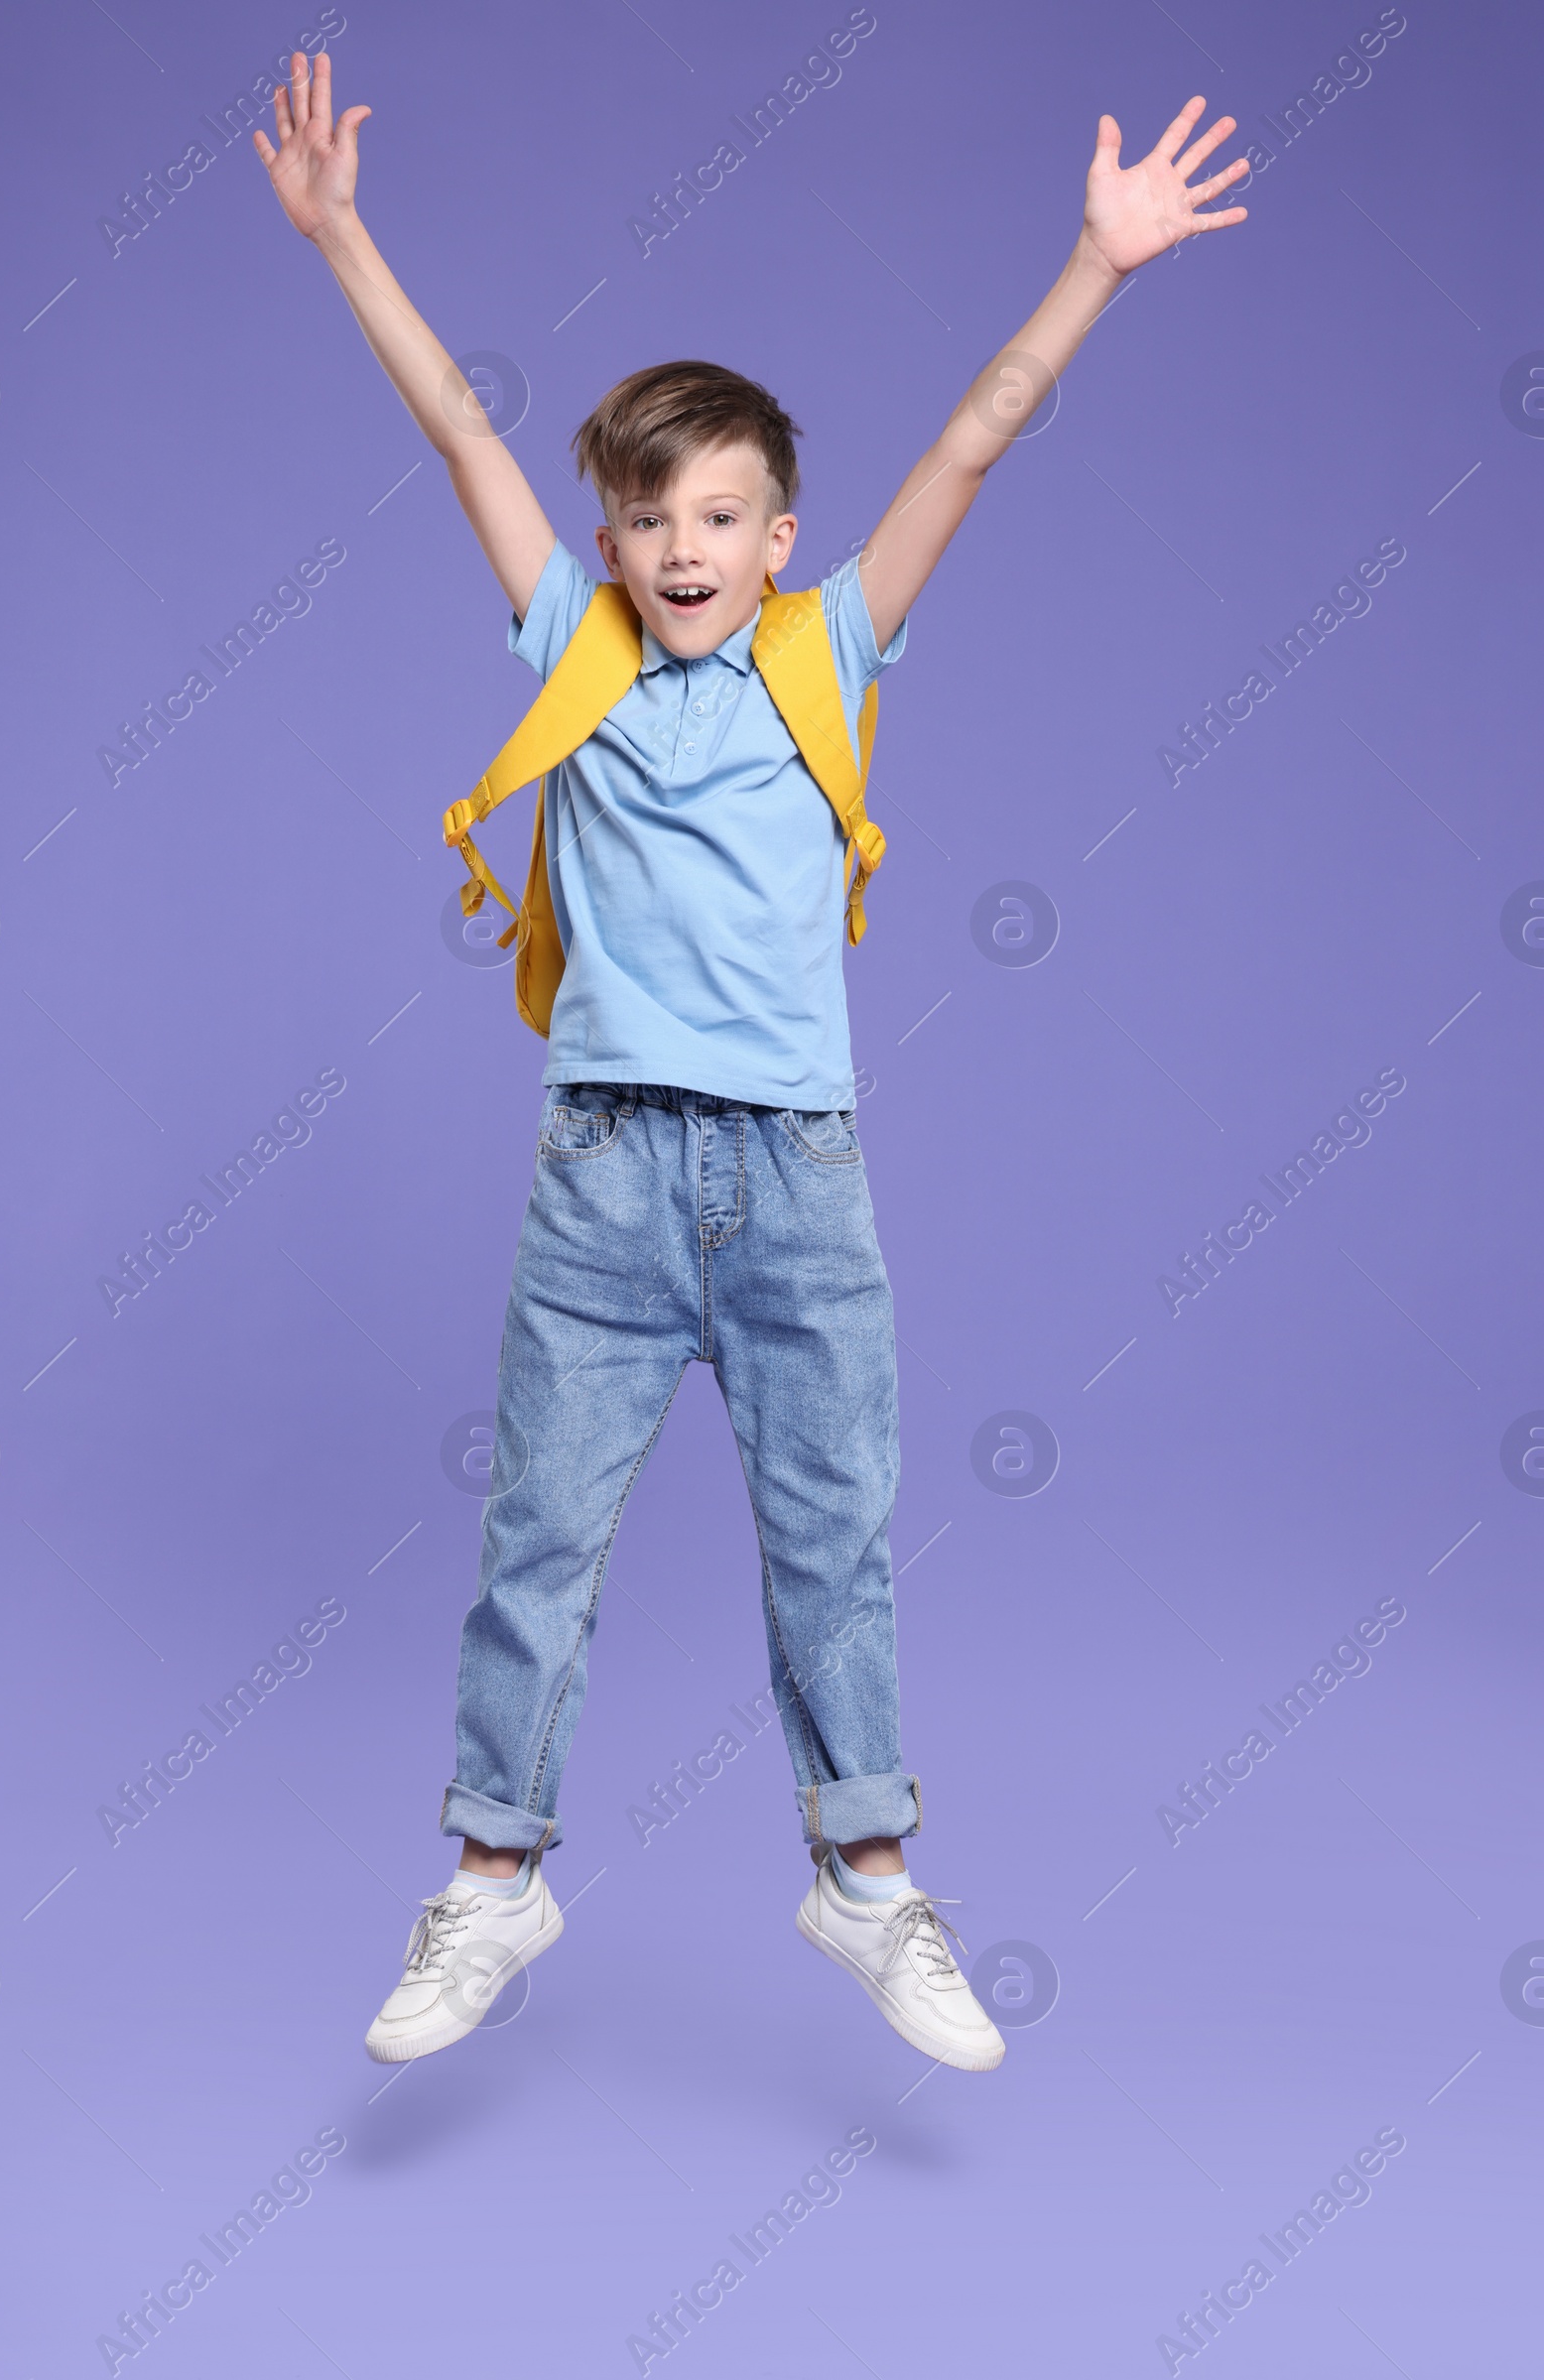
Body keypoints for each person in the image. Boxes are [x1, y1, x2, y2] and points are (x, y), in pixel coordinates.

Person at [253, 51, 1248, 2073]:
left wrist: (1096, 262)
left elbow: (973, 441)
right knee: (536, 1535)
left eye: (717, 513)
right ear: (610, 543)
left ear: (779, 537)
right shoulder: (572, 648)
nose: (678, 543)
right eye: (645, 515)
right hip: (606, 1171)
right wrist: (346, 236)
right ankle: (491, 1891)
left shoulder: (832, 648)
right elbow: (456, 431)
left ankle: (865, 1884)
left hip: (796, 1177)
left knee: (834, 1538)